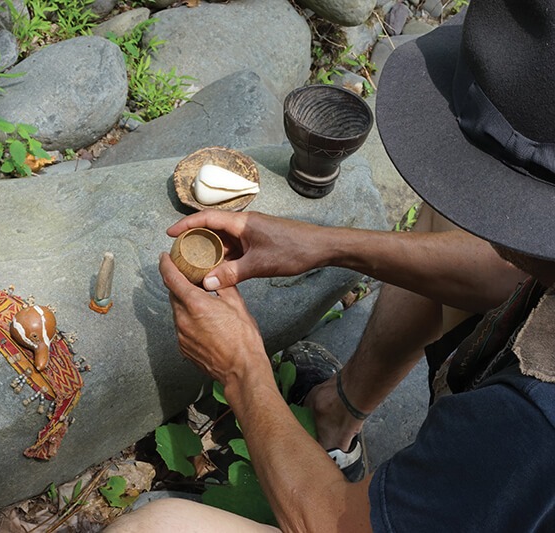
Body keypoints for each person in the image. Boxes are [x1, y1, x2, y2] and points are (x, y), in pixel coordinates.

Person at [105, 0, 555, 530]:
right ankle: (336, 417)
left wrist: (243, 371)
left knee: (153, 527)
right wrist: (325, 244)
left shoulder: (529, 418)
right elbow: (500, 269)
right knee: (450, 208)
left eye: (510, 202)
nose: (487, 219)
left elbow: (342, 526)